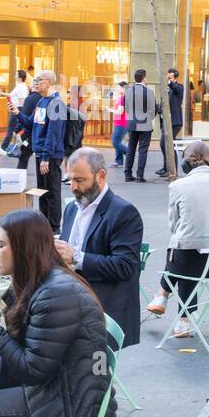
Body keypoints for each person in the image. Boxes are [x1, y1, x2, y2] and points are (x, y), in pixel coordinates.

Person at [0, 209, 115, 417]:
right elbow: (17, 353)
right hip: (54, 391)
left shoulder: (57, 294)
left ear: (25, 248)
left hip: (64, 410)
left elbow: (31, 370)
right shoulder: (37, 282)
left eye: (0, 245)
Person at [145, 141, 209, 338]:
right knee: (192, 250)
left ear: (185, 165)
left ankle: (165, 298)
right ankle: (181, 318)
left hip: (184, 264)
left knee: (183, 248)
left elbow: (174, 226)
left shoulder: (177, 186)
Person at [56, 148, 144, 348]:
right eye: (70, 180)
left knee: (96, 373)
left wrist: (76, 258)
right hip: (69, 303)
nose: (73, 187)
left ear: (101, 176)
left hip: (104, 309)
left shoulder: (124, 213)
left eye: (79, 180)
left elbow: (125, 266)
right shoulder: (71, 208)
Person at [30, 69, 66, 232]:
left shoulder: (56, 103)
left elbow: (53, 133)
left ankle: (54, 227)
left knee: (52, 192)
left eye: (40, 79)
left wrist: (46, 157)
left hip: (50, 155)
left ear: (49, 82)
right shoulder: (41, 101)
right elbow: (32, 123)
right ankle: (44, 224)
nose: (36, 82)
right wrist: (17, 114)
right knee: (42, 191)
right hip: (40, 152)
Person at [123, 69, 158, 182]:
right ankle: (139, 175)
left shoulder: (128, 91)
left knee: (130, 149)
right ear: (144, 78)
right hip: (145, 123)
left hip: (132, 122)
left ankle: (127, 175)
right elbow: (154, 109)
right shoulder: (149, 92)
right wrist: (150, 117)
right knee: (143, 150)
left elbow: (126, 108)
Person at [156, 69, 184, 178]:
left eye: (170, 77)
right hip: (165, 121)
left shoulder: (179, 87)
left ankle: (172, 170)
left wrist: (169, 83)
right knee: (164, 144)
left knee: (169, 145)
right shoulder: (166, 89)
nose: (168, 78)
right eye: (167, 76)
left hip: (175, 121)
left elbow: (176, 88)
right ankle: (166, 168)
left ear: (174, 78)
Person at [14, 74, 43, 172]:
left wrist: (16, 130)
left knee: (23, 158)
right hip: (39, 133)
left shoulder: (30, 99)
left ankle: (19, 179)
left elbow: (24, 116)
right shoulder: (42, 99)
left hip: (29, 134)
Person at [1, 69, 30, 155]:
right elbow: (12, 95)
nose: (14, 76)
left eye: (16, 75)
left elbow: (22, 100)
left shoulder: (21, 87)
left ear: (20, 77)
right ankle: (7, 146)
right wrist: (2, 94)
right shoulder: (20, 86)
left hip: (17, 109)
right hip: (17, 109)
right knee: (14, 129)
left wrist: (20, 111)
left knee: (11, 129)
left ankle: (4, 147)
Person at [110, 80, 128, 168]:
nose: (117, 89)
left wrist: (109, 110)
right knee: (118, 141)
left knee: (115, 142)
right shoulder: (120, 98)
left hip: (122, 123)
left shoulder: (123, 99)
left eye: (118, 88)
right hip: (118, 122)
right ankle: (119, 160)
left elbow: (120, 112)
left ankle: (129, 153)